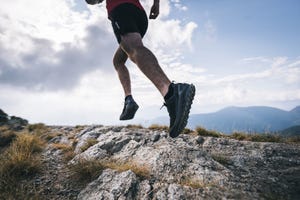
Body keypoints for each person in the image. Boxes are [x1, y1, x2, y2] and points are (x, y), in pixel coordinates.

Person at [85, 0, 195, 138]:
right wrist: (156, 3)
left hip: (120, 7)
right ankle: (129, 100)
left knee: (134, 49)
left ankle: (172, 92)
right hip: (139, 15)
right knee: (118, 61)